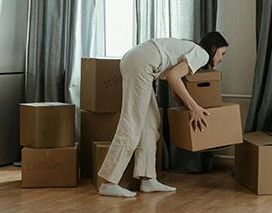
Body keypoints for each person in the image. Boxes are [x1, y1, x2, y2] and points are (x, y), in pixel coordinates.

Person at [97, 32, 229, 198]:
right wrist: (194, 107)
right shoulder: (201, 54)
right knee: (132, 122)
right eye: (222, 53)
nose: (222, 58)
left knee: (151, 122)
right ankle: (109, 182)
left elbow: (175, 86)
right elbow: (174, 77)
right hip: (142, 63)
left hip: (138, 60)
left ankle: (148, 179)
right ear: (213, 48)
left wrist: (188, 106)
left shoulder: (191, 50)